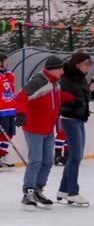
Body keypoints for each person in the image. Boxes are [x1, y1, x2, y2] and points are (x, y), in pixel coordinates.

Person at [16, 56, 66, 209]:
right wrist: (20, 113)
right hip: (34, 128)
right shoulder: (38, 81)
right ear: (53, 69)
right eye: (61, 69)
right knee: (36, 160)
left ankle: (38, 189)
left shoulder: (55, 83)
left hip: (48, 128)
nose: (63, 72)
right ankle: (28, 192)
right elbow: (21, 97)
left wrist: (75, 99)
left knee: (48, 161)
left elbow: (56, 100)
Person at [56, 52, 94, 206]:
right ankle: (72, 192)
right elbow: (62, 99)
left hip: (79, 119)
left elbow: (84, 96)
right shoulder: (66, 78)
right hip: (69, 120)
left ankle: (63, 190)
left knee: (76, 156)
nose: (88, 67)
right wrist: (76, 102)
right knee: (75, 157)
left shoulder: (80, 77)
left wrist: (93, 91)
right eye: (87, 63)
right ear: (77, 63)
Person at [0, 54, 15, 168]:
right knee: (1, 135)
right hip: (2, 110)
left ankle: (1, 155)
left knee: (9, 134)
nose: (7, 63)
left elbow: (11, 86)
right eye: (5, 61)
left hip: (11, 110)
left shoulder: (7, 74)